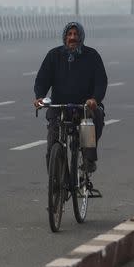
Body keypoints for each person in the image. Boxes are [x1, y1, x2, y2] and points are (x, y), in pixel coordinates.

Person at [33, 21, 107, 173]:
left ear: (81, 37)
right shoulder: (54, 55)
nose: (72, 38)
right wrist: (39, 97)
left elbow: (101, 82)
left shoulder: (92, 56)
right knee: (52, 142)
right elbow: (42, 79)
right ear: (64, 37)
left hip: (84, 107)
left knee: (93, 119)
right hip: (59, 107)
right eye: (69, 34)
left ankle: (88, 160)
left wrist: (94, 99)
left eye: (75, 34)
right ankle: (56, 183)